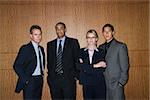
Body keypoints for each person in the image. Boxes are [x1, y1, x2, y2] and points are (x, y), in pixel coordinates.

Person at [47, 22, 80, 100]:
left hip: (69, 79)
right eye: (57, 29)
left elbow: (77, 59)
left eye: (61, 28)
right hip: (54, 80)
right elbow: (49, 62)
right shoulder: (50, 44)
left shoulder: (73, 42)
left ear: (65, 29)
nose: (59, 30)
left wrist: (75, 76)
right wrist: (50, 77)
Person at [13, 25, 45, 100]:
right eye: (35, 34)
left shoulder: (41, 49)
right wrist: (26, 79)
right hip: (30, 80)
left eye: (40, 34)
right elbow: (17, 65)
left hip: (39, 79)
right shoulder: (25, 48)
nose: (38, 36)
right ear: (31, 36)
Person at [99, 24, 129, 100]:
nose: (106, 33)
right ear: (102, 33)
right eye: (105, 31)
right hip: (103, 83)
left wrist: (121, 82)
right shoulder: (100, 47)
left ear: (113, 32)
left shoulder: (120, 46)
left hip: (116, 83)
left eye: (108, 31)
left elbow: (125, 66)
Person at [77, 29, 106, 100]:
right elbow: (78, 66)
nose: (91, 39)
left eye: (93, 37)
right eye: (89, 37)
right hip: (86, 84)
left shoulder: (102, 52)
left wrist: (85, 67)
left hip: (99, 84)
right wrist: (95, 65)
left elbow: (102, 69)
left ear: (96, 39)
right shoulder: (81, 51)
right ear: (86, 39)